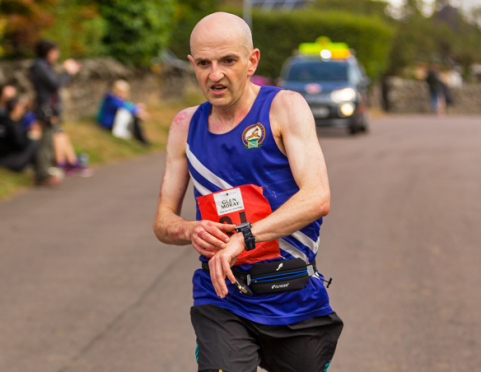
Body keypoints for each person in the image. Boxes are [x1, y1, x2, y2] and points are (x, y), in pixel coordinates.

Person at [152, 12, 342, 372]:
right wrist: (190, 229)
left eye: (228, 61)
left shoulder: (284, 108)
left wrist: (245, 237)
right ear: (192, 64)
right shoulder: (184, 126)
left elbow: (318, 197)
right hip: (223, 295)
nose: (215, 75)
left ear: (252, 61)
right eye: (204, 64)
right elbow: (162, 221)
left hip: (292, 293)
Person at [29, 39, 81, 184]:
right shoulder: (39, 66)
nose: (57, 54)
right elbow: (55, 84)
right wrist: (67, 72)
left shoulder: (44, 66)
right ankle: (42, 175)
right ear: (47, 52)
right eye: (54, 51)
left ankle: (44, 171)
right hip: (45, 110)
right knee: (45, 142)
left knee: (49, 140)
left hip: (49, 109)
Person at [0, 98, 46, 180]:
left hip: (8, 158)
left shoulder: (8, 122)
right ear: (15, 108)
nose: (23, 110)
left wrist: (28, 132)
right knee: (35, 142)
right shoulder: (11, 126)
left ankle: (40, 170)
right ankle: (42, 173)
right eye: (21, 107)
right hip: (9, 160)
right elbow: (20, 144)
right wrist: (31, 136)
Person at [97, 80, 150, 144]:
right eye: (119, 92)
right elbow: (122, 107)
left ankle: (140, 138)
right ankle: (141, 139)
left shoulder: (115, 98)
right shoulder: (111, 99)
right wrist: (137, 110)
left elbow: (126, 105)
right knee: (133, 117)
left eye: (123, 92)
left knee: (134, 117)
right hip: (106, 123)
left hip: (112, 121)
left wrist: (137, 107)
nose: (121, 94)